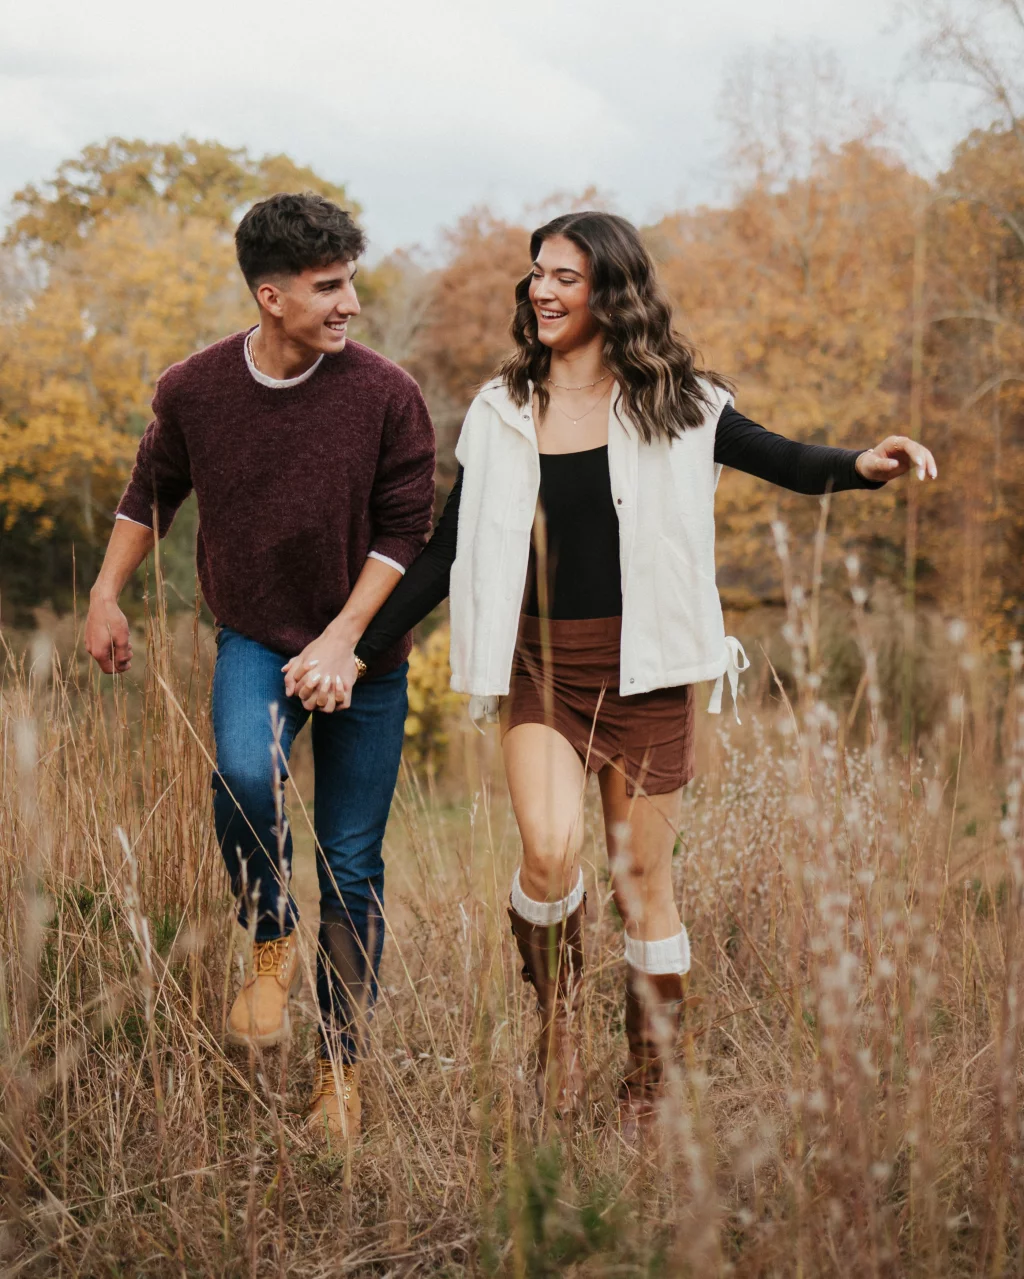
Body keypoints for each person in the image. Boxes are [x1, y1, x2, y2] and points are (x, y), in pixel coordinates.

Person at [295, 210, 937, 1133]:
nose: (543, 291)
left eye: (565, 276)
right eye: (536, 274)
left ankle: (648, 1078)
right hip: (544, 670)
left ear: (613, 290)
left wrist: (862, 465)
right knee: (551, 854)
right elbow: (445, 552)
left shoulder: (681, 402)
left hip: (652, 676)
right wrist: (354, 641)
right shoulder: (502, 408)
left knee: (642, 884)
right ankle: (555, 1023)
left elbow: (782, 459)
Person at [84, 192, 436, 1144]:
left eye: (351, 281)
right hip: (254, 635)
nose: (350, 303)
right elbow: (149, 491)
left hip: (367, 655)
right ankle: (271, 930)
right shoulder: (195, 389)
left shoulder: (386, 393)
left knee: (352, 868)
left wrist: (345, 641)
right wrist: (106, 593)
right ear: (270, 296)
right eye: (329, 287)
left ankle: (339, 1075)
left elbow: (410, 527)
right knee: (244, 778)